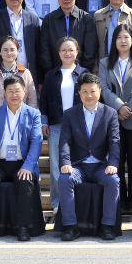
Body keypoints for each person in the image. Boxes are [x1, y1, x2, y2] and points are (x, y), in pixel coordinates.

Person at [0, 75, 44, 241]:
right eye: (10, 91)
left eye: (17, 91)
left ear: (24, 91)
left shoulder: (33, 114)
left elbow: (36, 142)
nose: (14, 94)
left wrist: (28, 166)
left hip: (22, 162)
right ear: (4, 93)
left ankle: (23, 227)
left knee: (25, 180)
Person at [57, 73, 121, 241]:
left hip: (100, 165)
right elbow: (64, 141)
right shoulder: (70, 114)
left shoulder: (110, 113)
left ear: (99, 91)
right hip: (79, 165)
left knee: (113, 181)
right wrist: (65, 162)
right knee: (64, 179)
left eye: (93, 91)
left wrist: (113, 163)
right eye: (84, 91)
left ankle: (107, 226)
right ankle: (71, 226)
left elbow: (114, 142)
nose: (89, 95)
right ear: (79, 93)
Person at [100, 24, 132, 214]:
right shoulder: (105, 62)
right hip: (114, 118)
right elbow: (103, 88)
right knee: (117, 159)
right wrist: (119, 106)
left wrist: (128, 107)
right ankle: (120, 201)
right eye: (119, 37)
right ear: (113, 41)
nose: (123, 41)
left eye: (126, 37)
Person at [38, 37, 90, 216]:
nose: (67, 53)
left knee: (78, 163)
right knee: (56, 166)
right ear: (58, 53)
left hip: (79, 125)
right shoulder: (51, 75)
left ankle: (77, 202)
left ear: (77, 52)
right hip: (56, 124)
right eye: (63, 50)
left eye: (71, 50)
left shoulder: (84, 74)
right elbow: (44, 100)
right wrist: (44, 121)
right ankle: (57, 203)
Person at [0, 36, 38, 131]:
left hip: (20, 123)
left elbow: (32, 99)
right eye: (5, 50)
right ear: (0, 52)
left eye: (12, 49)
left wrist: (30, 122)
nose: (9, 53)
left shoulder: (25, 73)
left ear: (17, 51)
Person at [39, 0, 99, 74]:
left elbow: (90, 50)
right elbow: (44, 49)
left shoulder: (86, 19)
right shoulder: (49, 20)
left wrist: (82, 72)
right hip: (55, 72)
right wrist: (51, 72)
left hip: (81, 73)